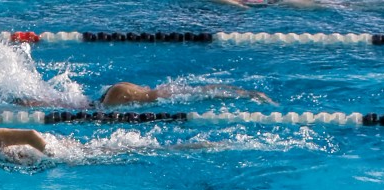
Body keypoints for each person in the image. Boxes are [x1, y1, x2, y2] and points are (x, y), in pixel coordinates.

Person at [98, 81, 272, 107]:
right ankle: (247, 93)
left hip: (157, 94)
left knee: (201, 93)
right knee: (200, 92)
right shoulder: (116, 90)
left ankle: (247, 94)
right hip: (160, 91)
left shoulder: (114, 97)